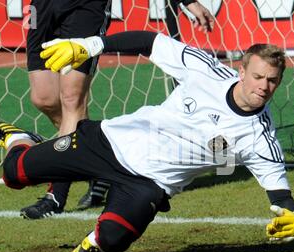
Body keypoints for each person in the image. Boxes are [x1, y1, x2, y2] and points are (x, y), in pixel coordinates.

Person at [0, 30, 294, 252]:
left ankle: (89, 245)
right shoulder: (205, 70)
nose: (263, 86)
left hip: (148, 184)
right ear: (241, 71)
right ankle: (18, 137)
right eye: (258, 76)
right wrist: (90, 46)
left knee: (113, 240)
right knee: (13, 174)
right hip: (108, 142)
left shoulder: (260, 137)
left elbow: (281, 196)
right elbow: (151, 42)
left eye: (272, 81)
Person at [23, 0, 215, 219]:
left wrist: (188, 2)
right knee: (43, 98)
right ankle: (97, 156)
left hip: (86, 7)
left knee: (71, 99)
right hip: (45, 5)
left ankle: (56, 195)